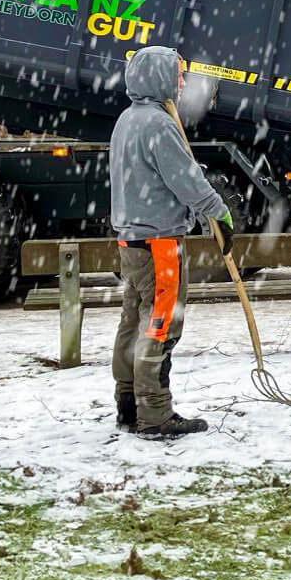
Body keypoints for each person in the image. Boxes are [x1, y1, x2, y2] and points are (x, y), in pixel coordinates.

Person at [109, 45, 236, 439]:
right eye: (177, 75)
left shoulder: (127, 121)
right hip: (160, 242)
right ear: (159, 79)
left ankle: (128, 404)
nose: (182, 82)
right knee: (161, 325)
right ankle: (156, 415)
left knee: (133, 320)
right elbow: (185, 182)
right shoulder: (159, 125)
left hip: (131, 241)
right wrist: (217, 211)